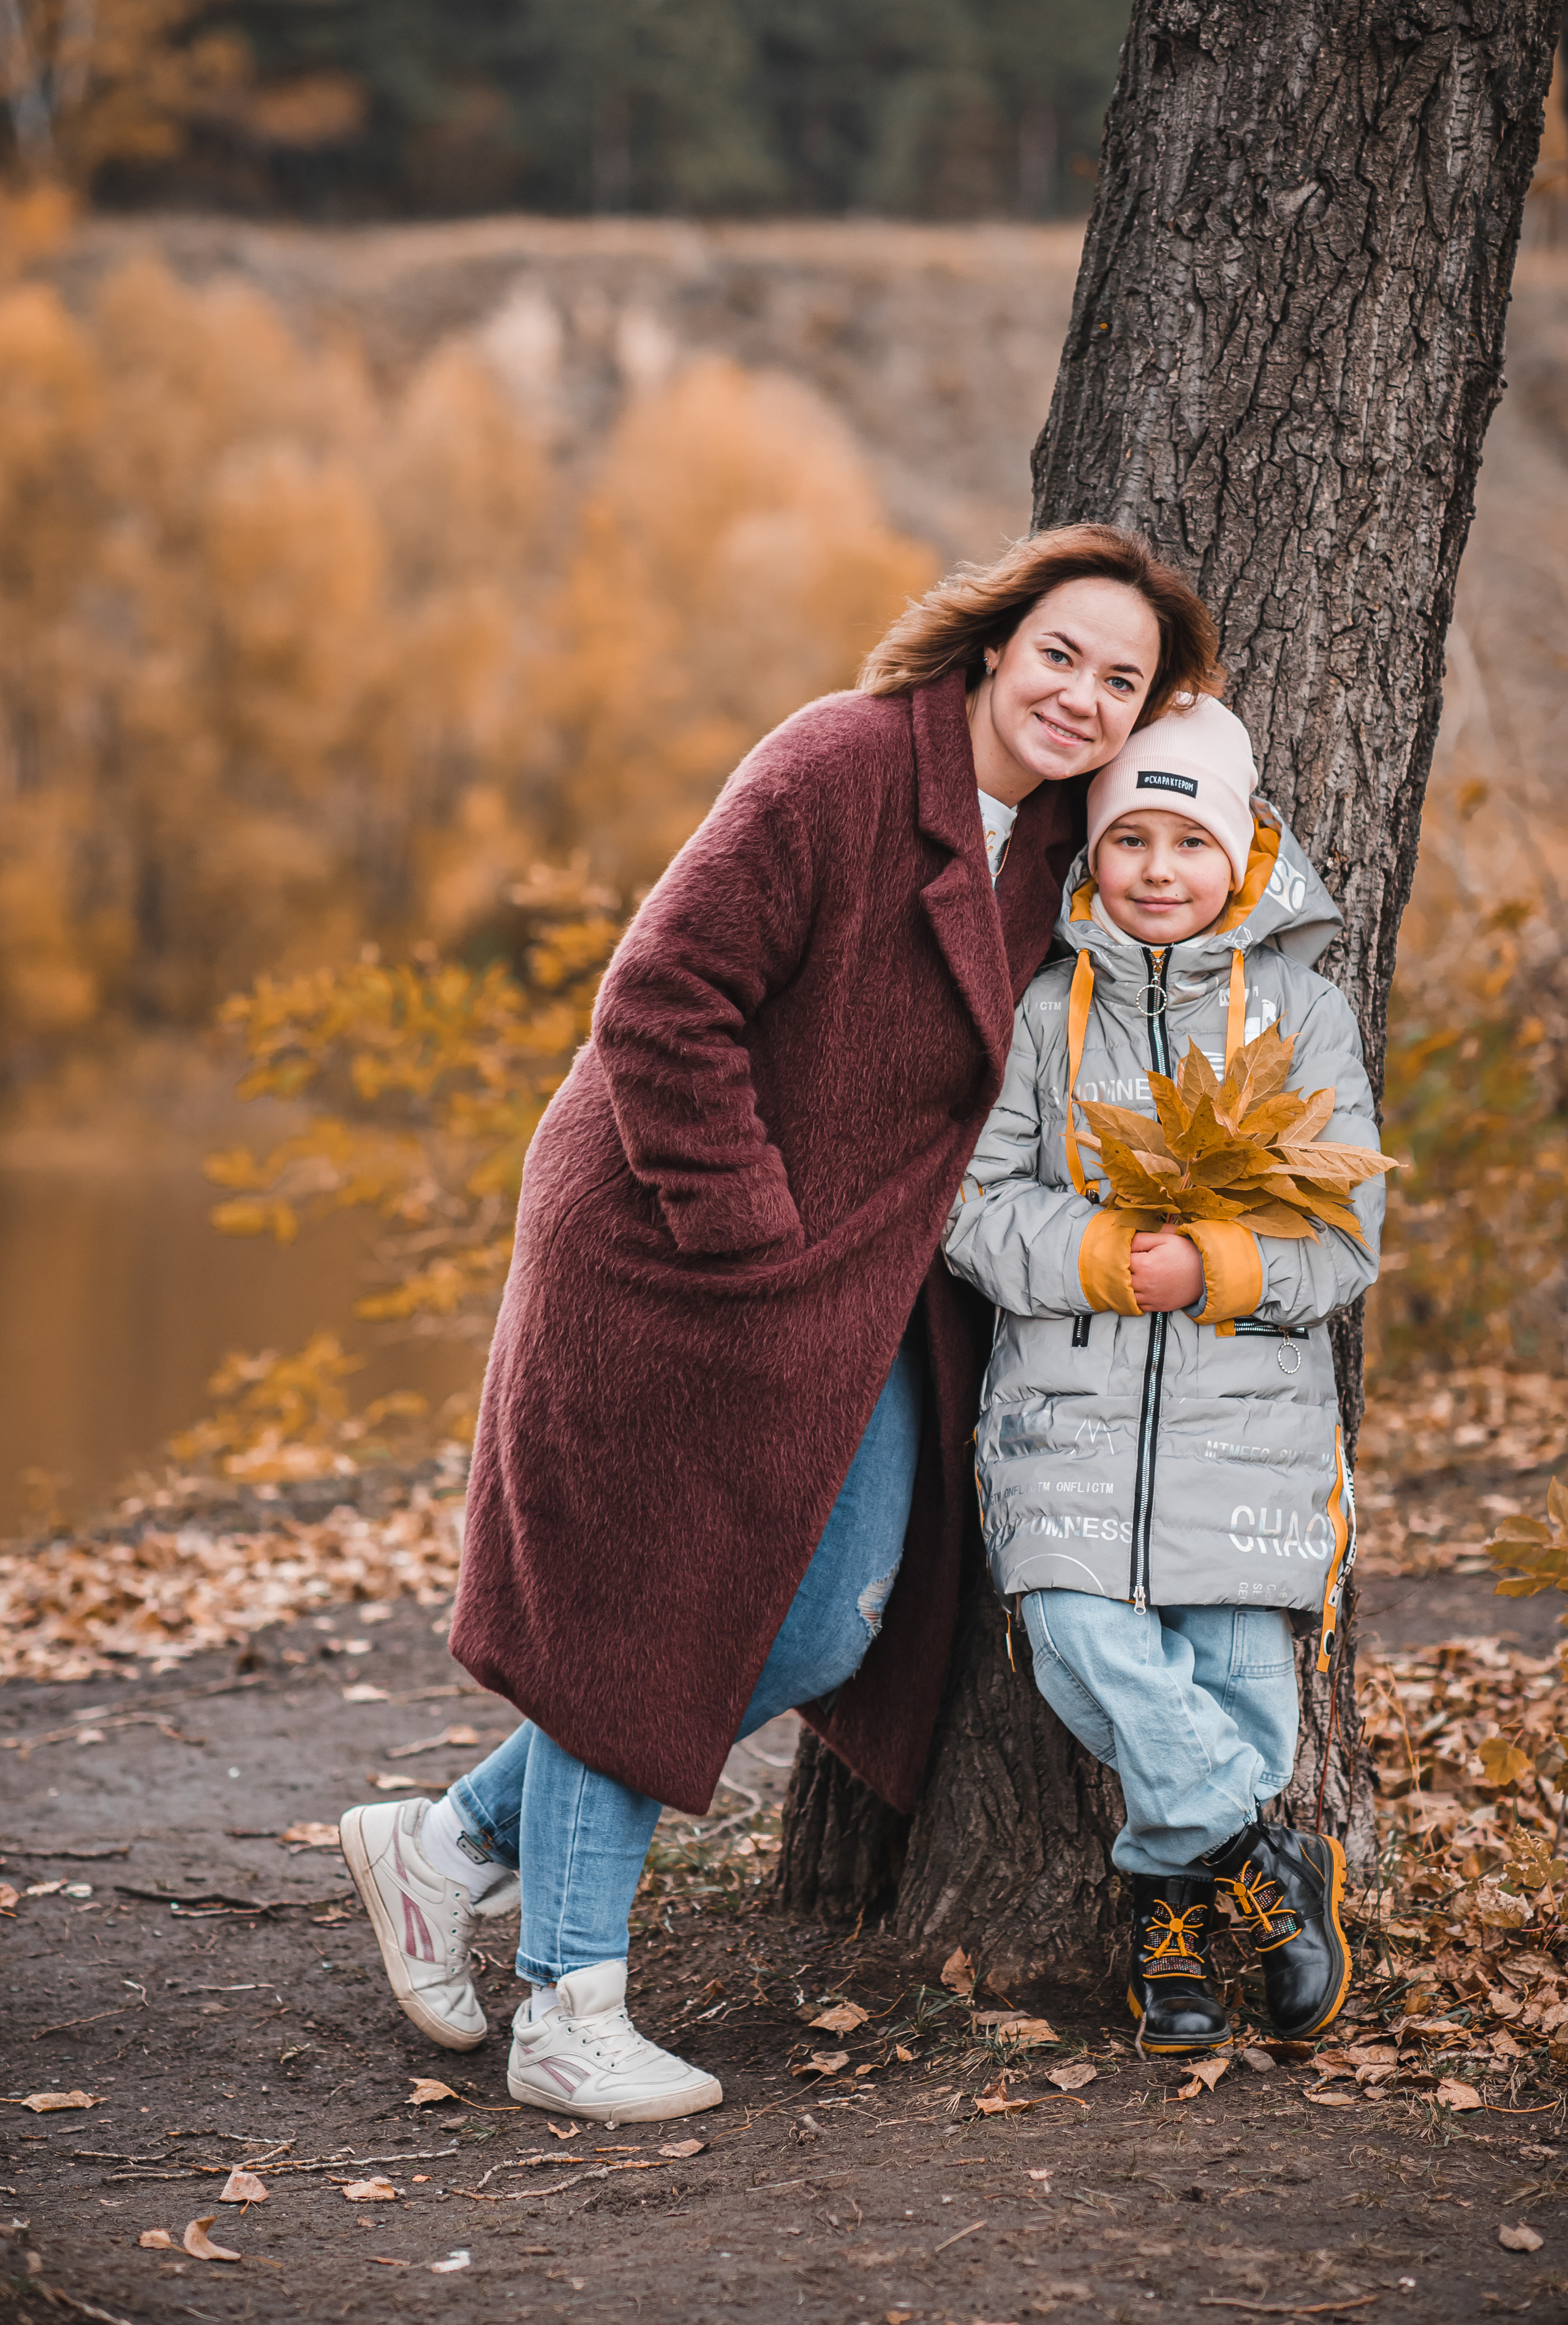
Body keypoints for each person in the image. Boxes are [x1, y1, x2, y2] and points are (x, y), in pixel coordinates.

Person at [341, 525, 1224, 2123]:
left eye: (1124, 680)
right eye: (1060, 656)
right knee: (657, 1603)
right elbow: (660, 997)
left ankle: (455, 1840)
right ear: (990, 646)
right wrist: (746, 1237)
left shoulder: (1056, 852)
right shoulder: (835, 765)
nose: (1082, 697)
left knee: (824, 1620)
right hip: (676, 1242)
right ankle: (570, 2006)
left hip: (853, 1295)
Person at [942, 692, 1384, 2057]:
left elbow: (1340, 1239)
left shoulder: (1300, 1016)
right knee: (1078, 1640)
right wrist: (1094, 1254)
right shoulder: (1039, 1015)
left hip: (1245, 1433)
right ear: (1087, 858)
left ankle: (1169, 1911)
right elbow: (968, 1204)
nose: (1154, 869)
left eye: (1184, 842)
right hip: (1063, 1423)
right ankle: (1261, 1854)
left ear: (1243, 853)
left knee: (1241, 1684)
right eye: (1125, 838)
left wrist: (1217, 1271)